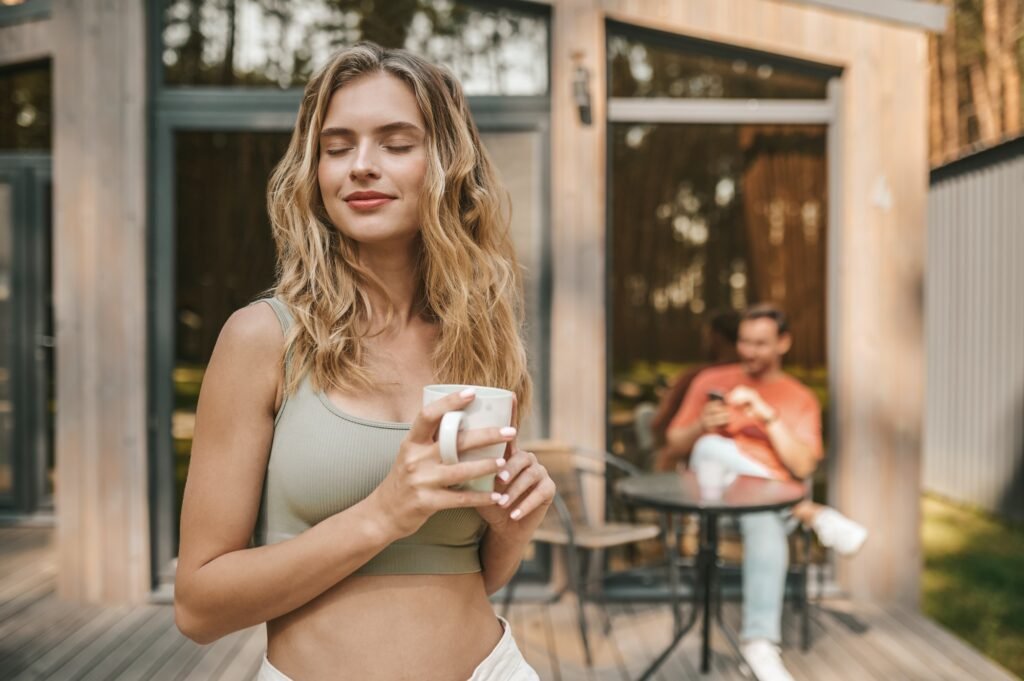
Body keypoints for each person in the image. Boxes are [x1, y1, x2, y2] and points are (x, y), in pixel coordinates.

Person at [173, 43, 554, 681]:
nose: (361, 166)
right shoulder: (263, 339)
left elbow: (470, 572)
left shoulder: (484, 338)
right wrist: (383, 513)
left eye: (396, 143)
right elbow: (198, 607)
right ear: (314, 168)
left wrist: (513, 527)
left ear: (446, 164)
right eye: (338, 145)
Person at [666, 303, 866, 681]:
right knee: (709, 448)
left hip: (767, 509)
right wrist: (701, 426)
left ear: (783, 343)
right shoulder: (712, 381)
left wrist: (768, 417)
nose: (749, 351)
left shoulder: (799, 397)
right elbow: (676, 444)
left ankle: (759, 646)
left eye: (760, 343)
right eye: (744, 342)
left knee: (762, 517)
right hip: (716, 500)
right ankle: (809, 512)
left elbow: (804, 466)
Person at [650, 308, 740, 471]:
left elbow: (660, 426)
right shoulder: (759, 380)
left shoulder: (696, 377)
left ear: (716, 337)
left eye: (706, 336)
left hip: (693, 463)